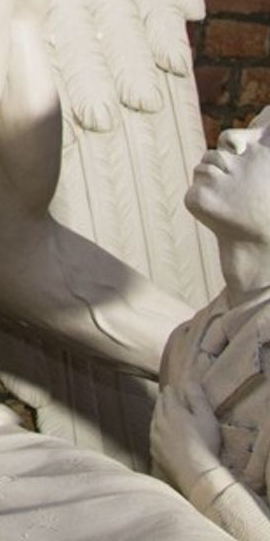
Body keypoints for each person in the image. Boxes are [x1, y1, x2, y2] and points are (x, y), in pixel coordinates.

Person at [153, 109, 270, 539]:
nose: (232, 137)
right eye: (251, 125)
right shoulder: (185, 343)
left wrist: (197, 468)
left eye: (268, 142)